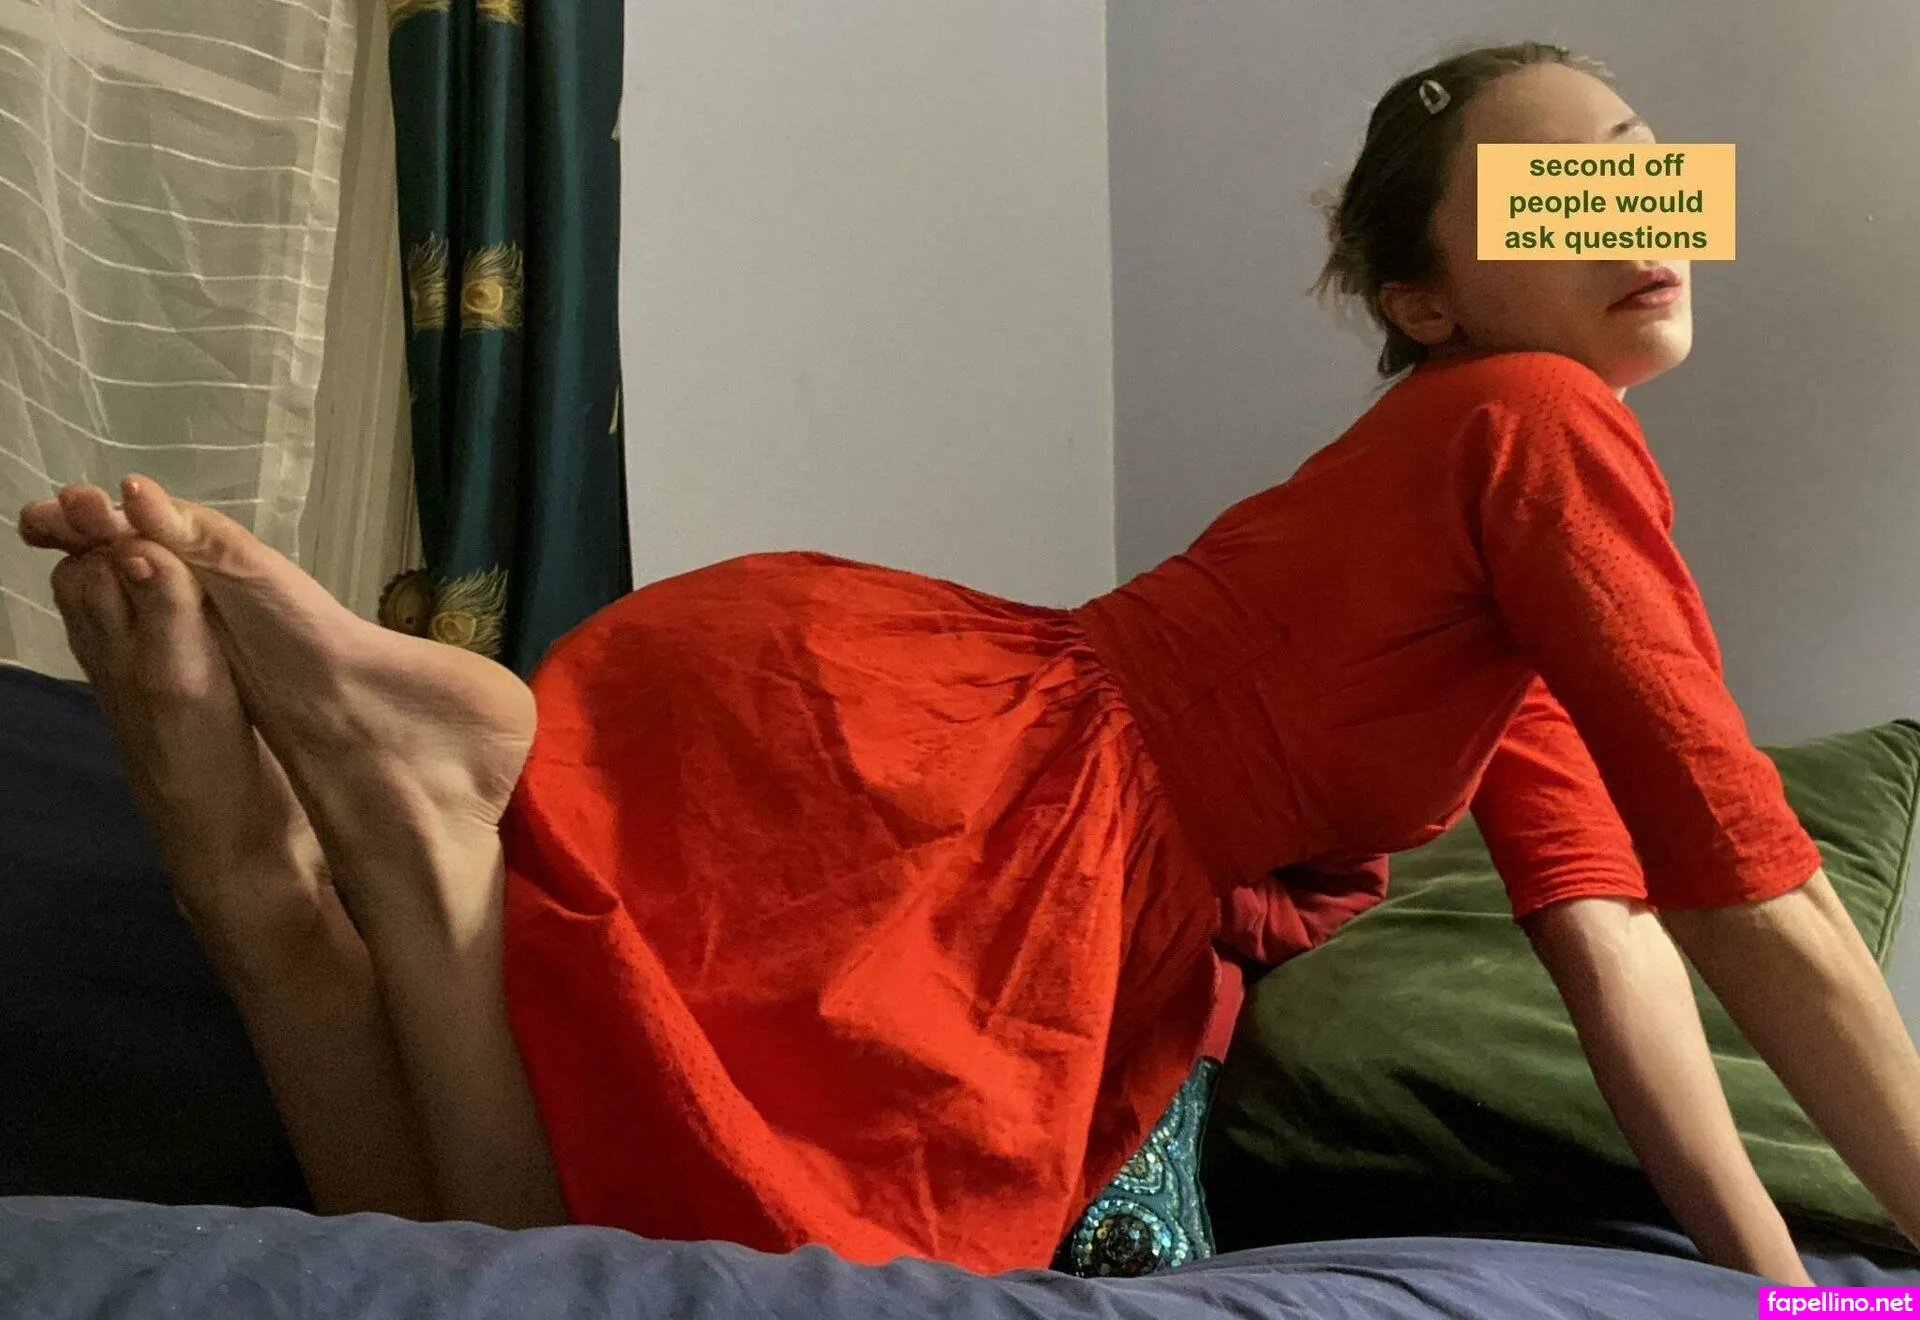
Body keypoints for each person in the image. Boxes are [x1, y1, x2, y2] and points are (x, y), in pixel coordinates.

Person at [17, 41, 1920, 1286]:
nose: (1634, 213)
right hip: (987, 822)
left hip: (907, 714)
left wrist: (1785, 1286)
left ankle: (273, 876)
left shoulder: (1466, 511)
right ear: (1424, 295)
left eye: (1647, 175)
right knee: (638, 1217)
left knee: (496, 1222)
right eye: (1555, 188)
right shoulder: (1537, 421)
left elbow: (1613, 940)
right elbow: (1747, 882)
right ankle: (390, 833)